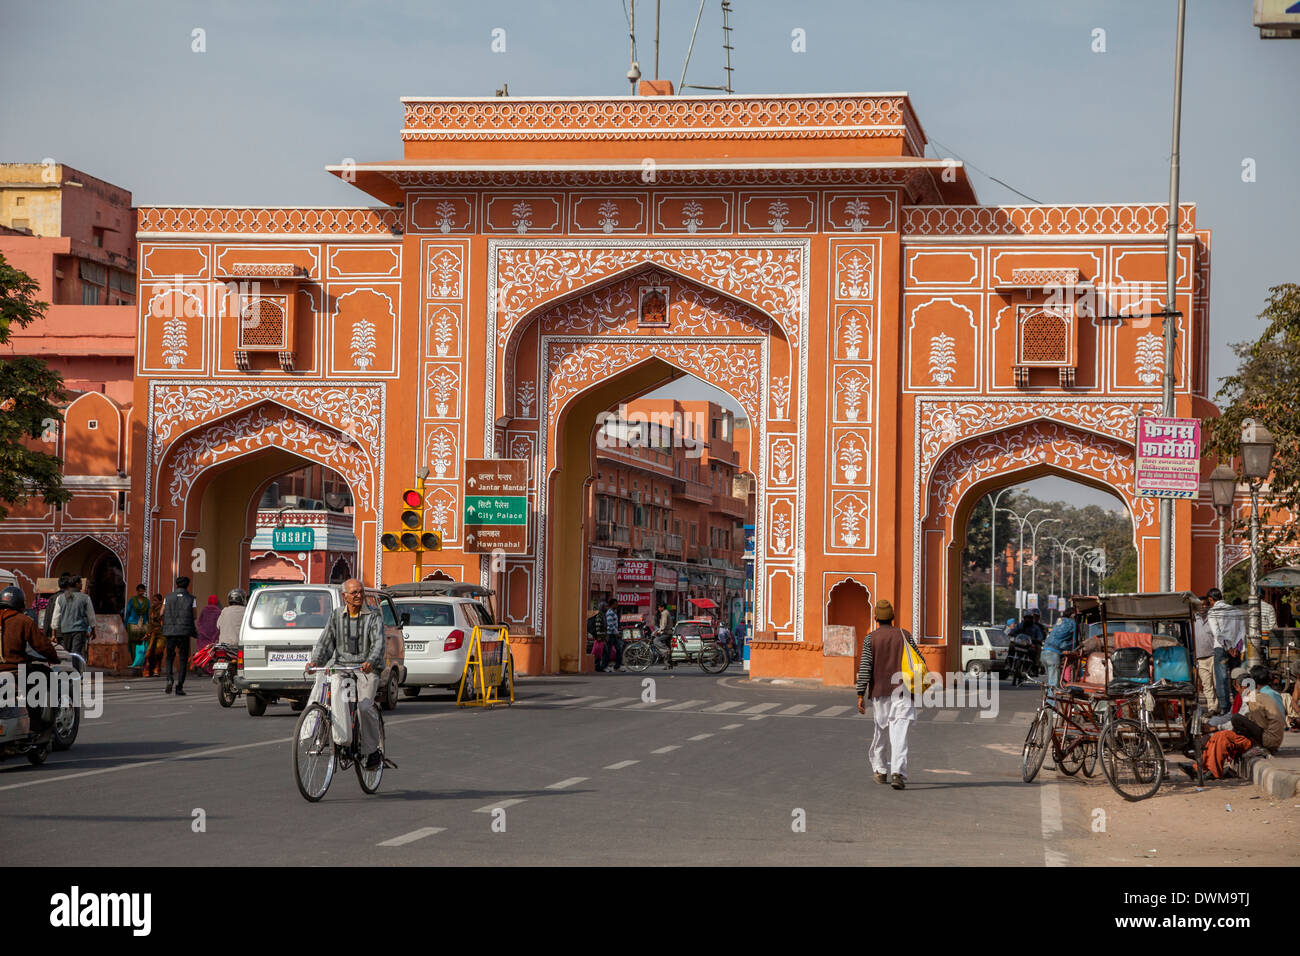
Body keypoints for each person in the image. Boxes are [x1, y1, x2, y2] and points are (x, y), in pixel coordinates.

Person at [307, 578, 385, 770]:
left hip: (366, 670)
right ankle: (342, 741)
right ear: (344, 597)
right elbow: (325, 642)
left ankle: (372, 750)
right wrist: (316, 661)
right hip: (342, 668)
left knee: (365, 708)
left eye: (361, 592)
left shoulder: (373, 616)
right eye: (354, 593)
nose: (359, 596)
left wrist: (371, 662)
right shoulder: (336, 616)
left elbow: (378, 644)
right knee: (336, 702)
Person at [854, 599, 921, 790]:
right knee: (899, 734)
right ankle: (897, 773)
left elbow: (865, 666)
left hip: (880, 693)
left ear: (875, 618)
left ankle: (881, 770)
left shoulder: (871, 638)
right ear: (893, 617)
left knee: (881, 731)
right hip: (904, 692)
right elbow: (919, 660)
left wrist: (860, 693)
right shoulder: (905, 635)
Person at [1206, 588, 1245, 714]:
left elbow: (1217, 633)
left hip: (1221, 648)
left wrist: (1228, 647)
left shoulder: (1213, 612)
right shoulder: (1235, 610)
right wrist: (1235, 647)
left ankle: (1225, 707)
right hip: (1235, 649)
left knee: (1221, 678)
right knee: (1236, 676)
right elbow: (1242, 631)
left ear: (1211, 600)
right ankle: (1238, 704)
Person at [161, 576, 198, 695]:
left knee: (169, 657)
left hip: (170, 632)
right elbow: (194, 615)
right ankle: (179, 687)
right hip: (184, 632)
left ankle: (169, 679)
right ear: (187, 585)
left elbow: (161, 612)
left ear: (176, 584)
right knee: (182, 659)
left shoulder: (168, 597)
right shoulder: (191, 598)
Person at [49, 574, 96, 662]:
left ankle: (68, 672)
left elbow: (55, 617)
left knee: (67, 652)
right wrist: (93, 629)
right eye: (81, 583)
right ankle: (75, 672)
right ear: (77, 584)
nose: (82, 585)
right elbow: (91, 616)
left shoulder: (60, 598)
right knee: (76, 652)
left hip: (65, 630)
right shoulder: (85, 598)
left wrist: (53, 634)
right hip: (79, 630)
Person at [1040, 608, 1077, 690]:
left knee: (1051, 681)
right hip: (1053, 654)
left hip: (1044, 652)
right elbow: (1074, 641)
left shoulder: (1059, 621)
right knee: (1054, 685)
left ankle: (1048, 701)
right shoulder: (1073, 623)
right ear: (1073, 615)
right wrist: (1074, 652)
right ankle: (1051, 702)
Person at [1192, 596, 1217, 713]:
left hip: (1213, 656)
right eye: (1200, 605)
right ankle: (1212, 708)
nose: (1203, 607)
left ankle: (1219, 707)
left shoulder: (1213, 618)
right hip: (1200, 658)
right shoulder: (1193, 619)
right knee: (1207, 685)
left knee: (1217, 683)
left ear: (1208, 605)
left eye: (1205, 604)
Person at [123, 584, 150, 653]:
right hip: (132, 624)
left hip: (144, 624)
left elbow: (148, 614)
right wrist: (125, 624)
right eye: (139, 591)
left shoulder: (147, 601)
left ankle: (140, 660)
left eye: (142, 591)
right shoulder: (132, 600)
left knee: (143, 642)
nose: (141, 593)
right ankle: (134, 659)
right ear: (137, 591)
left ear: (144, 591)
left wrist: (149, 625)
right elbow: (128, 612)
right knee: (133, 642)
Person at [144, 593, 166, 677]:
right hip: (151, 633)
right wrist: (147, 633)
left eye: (155, 600)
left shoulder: (163, 610)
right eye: (153, 600)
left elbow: (163, 623)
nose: (153, 602)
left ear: (160, 602)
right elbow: (150, 623)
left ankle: (156, 669)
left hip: (161, 633)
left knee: (158, 650)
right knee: (149, 651)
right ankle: (148, 670)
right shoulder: (151, 610)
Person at [604, 598, 623, 672]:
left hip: (614, 634)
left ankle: (617, 667)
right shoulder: (609, 613)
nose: (617, 605)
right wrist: (616, 633)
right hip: (610, 634)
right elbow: (610, 624)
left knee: (619, 649)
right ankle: (604, 666)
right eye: (616, 603)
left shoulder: (614, 612)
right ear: (612, 604)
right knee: (607, 651)